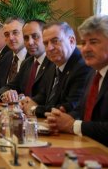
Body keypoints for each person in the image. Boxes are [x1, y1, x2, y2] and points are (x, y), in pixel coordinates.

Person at [46, 15, 108, 146]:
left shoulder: (86, 69)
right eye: (84, 43)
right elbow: (81, 111)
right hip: (87, 147)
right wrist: (61, 118)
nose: (85, 49)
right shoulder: (93, 73)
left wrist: (72, 125)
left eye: (93, 42)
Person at [21, 22, 89, 117]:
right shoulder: (53, 64)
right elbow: (44, 95)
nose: (49, 48)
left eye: (55, 41)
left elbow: (69, 107)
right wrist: (29, 102)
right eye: (46, 43)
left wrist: (34, 109)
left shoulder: (83, 67)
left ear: (72, 41)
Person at [0, 20, 53, 102]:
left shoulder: (53, 63)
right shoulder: (28, 62)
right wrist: (6, 93)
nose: (30, 42)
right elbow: (10, 86)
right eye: (26, 38)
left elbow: (47, 98)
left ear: (45, 37)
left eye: (35, 36)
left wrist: (25, 100)